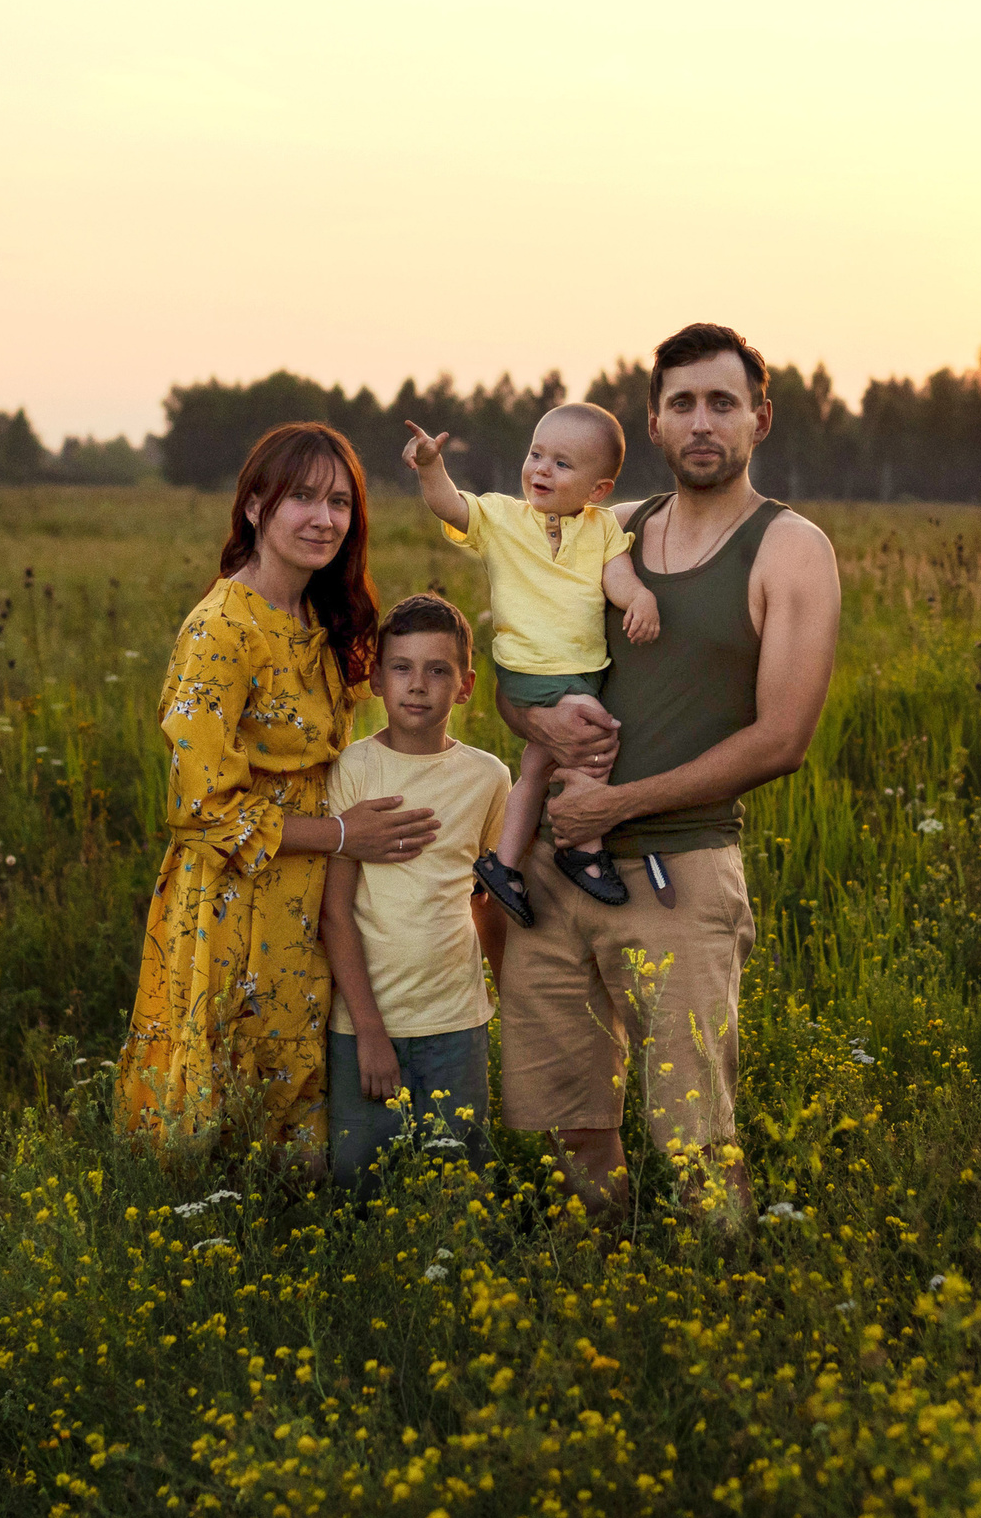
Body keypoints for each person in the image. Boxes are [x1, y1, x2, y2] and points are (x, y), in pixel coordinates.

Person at [495, 323, 842, 1226]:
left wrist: (618, 803)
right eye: (681, 403)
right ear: (650, 422)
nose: (701, 422)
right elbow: (524, 679)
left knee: (694, 1136)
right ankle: (606, 1302)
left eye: (722, 403)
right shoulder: (605, 530)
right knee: (572, 1126)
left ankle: (718, 1308)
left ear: (759, 419)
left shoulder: (789, 548)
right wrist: (538, 724)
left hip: (678, 876)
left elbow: (782, 738)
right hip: (552, 872)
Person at [117, 422, 440, 1166]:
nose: (324, 518)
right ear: (257, 506)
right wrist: (339, 838)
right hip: (235, 904)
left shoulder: (319, 620)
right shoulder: (222, 628)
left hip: (314, 902)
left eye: (339, 501)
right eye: (302, 497)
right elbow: (198, 807)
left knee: (301, 1112)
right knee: (230, 1111)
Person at [402, 404, 660, 923]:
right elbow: (450, 507)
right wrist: (432, 467)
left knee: (538, 766)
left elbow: (617, 577)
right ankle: (584, 850)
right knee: (597, 734)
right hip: (530, 670)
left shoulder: (603, 528)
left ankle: (505, 863)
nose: (541, 469)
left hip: (579, 668)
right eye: (536, 454)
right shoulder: (502, 517)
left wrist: (641, 600)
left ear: (597, 491)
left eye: (562, 464)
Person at [319, 593, 513, 1195]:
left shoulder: (487, 778)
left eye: (438, 670)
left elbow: (490, 899)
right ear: (376, 678)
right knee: (360, 1183)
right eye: (401, 667)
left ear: (465, 686)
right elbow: (336, 913)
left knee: (461, 1181)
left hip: (456, 1021)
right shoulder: (353, 768)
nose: (418, 685)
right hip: (365, 1029)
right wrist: (371, 1031)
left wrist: (507, 992)